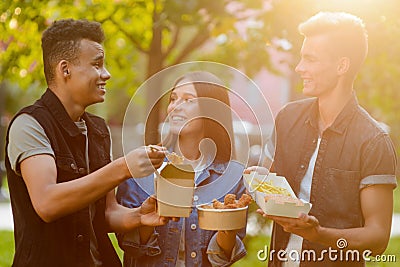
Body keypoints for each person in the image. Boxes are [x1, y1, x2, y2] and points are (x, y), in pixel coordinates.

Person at [5, 19, 169, 267]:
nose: (107, 74)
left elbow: (106, 213)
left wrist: (138, 216)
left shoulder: (98, 130)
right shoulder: (29, 125)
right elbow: (47, 203)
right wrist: (123, 168)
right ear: (65, 69)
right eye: (97, 64)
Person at [246, 12, 397, 267]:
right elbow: (276, 187)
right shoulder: (287, 119)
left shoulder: (373, 141)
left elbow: (378, 239)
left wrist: (319, 235)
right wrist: (260, 182)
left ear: (342, 66)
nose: (299, 67)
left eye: (310, 59)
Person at [116, 71, 248, 266]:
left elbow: (221, 259)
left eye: (188, 100)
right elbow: (129, 244)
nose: (175, 106)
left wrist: (226, 231)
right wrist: (144, 221)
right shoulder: (143, 166)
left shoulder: (232, 177)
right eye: (173, 98)